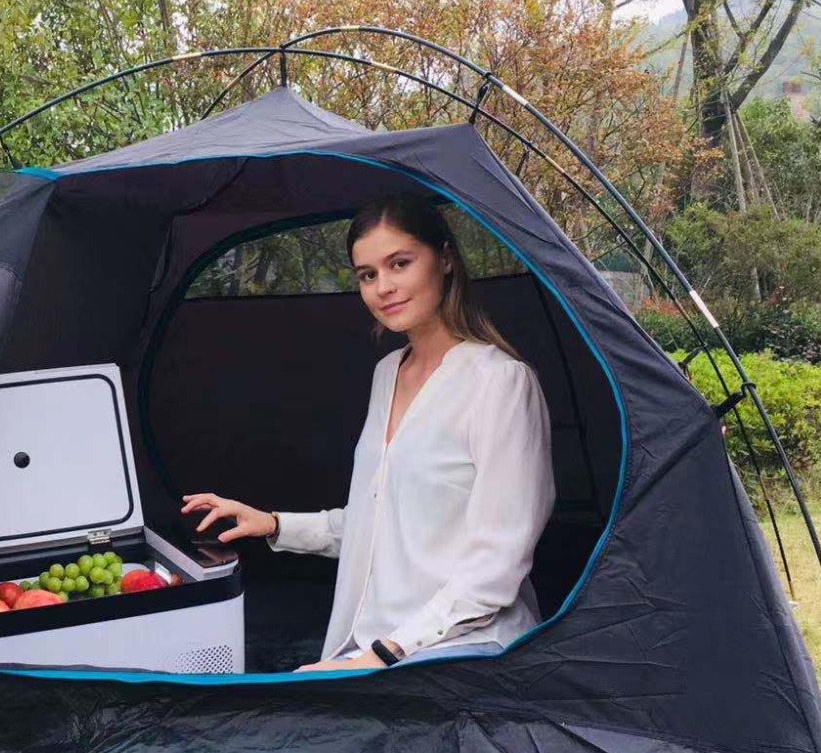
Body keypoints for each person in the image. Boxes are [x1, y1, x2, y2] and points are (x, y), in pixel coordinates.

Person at [180, 191, 556, 672]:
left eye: (400, 263)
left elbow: (495, 568)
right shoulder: (387, 373)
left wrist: (380, 656)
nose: (384, 287)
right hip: (370, 645)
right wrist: (274, 523)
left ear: (444, 259)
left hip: (464, 650)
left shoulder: (500, 383)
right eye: (367, 275)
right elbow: (379, 522)